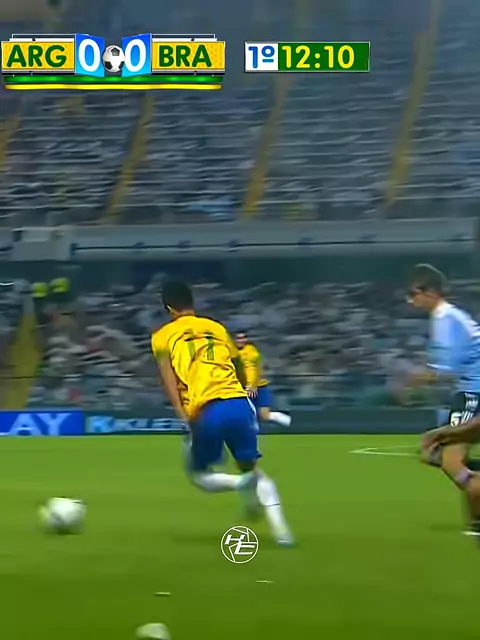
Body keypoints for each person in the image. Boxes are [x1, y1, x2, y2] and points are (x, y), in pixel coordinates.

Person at [151, 280, 294, 546]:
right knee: (252, 467)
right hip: (238, 402)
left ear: (169, 308)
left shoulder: (162, 336)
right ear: (192, 303)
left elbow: (168, 378)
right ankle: (282, 532)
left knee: (199, 475)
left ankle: (240, 484)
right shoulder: (216, 327)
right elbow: (238, 365)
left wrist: (182, 415)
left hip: (206, 408)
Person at [408, 264, 480, 535]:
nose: (410, 300)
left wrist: (413, 382)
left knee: (446, 458)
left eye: (413, 293)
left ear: (431, 292)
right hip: (469, 391)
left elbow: (445, 369)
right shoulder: (449, 317)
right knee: (442, 455)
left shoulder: (446, 320)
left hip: (473, 393)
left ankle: (477, 503)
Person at [234, 331, 291, 427]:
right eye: (238, 338)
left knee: (264, 415)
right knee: (248, 416)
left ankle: (289, 422)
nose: (241, 340)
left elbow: (251, 369)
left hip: (257, 387)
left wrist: (250, 385)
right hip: (245, 388)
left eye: (243, 338)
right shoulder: (233, 353)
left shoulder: (250, 352)